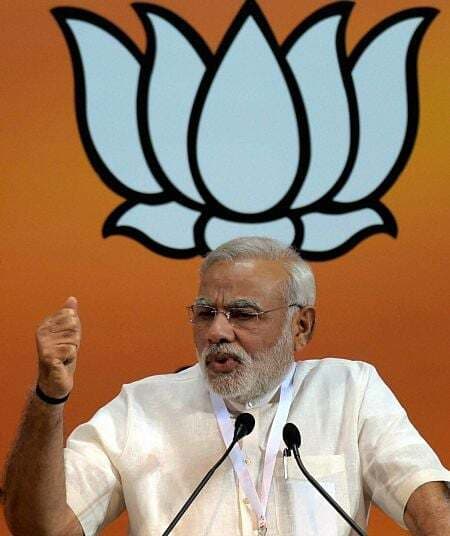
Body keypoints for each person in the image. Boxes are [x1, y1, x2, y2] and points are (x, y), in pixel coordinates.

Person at [3, 237, 449, 535]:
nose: (217, 331)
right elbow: (41, 528)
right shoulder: (140, 408)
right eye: (205, 313)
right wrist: (48, 398)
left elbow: (432, 511)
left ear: (300, 326)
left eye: (242, 314)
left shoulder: (350, 391)